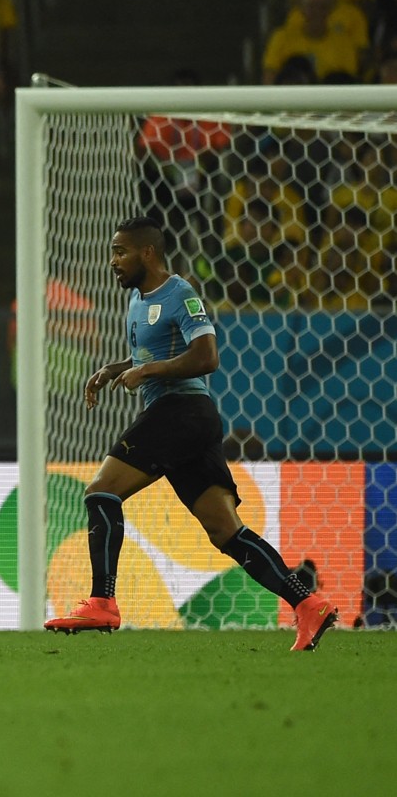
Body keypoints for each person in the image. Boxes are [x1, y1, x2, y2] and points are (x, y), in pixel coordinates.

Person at [44, 217, 338, 652]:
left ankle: (103, 601)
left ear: (148, 253)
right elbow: (151, 355)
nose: (113, 262)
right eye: (113, 252)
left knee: (101, 493)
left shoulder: (181, 294)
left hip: (181, 412)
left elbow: (206, 356)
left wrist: (149, 371)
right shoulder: (137, 302)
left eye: (121, 252)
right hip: (185, 421)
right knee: (226, 532)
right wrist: (117, 369)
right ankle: (308, 603)